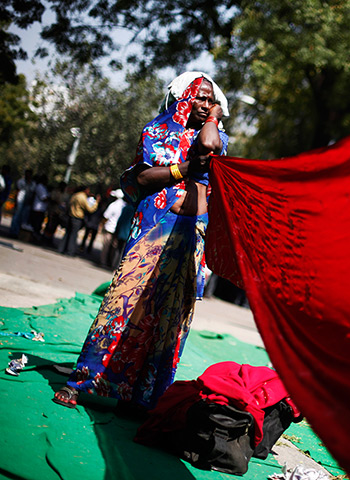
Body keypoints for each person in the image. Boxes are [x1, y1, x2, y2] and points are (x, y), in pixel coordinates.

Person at [52, 72, 229, 412]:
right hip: (155, 230)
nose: (206, 104)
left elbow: (209, 146)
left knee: (171, 318)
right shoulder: (157, 132)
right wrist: (183, 171)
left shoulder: (214, 135)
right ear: (181, 96)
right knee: (123, 305)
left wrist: (215, 117)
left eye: (211, 99)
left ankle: (143, 398)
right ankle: (82, 383)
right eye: (200, 97)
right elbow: (144, 176)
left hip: (192, 239)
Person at [57, 186, 100, 256]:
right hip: (77, 218)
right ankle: (70, 251)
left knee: (67, 233)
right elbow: (89, 209)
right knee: (73, 235)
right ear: (85, 190)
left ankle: (61, 248)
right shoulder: (82, 197)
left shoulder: (75, 195)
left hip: (71, 216)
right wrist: (96, 203)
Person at [99, 189, 127, 267]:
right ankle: (111, 263)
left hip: (109, 228)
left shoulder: (113, 205)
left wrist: (101, 225)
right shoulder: (125, 206)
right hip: (118, 230)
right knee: (114, 248)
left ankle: (103, 262)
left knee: (106, 247)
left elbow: (106, 216)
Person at [42, 181, 69, 246]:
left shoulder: (65, 194)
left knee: (54, 227)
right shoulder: (55, 192)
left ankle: (50, 239)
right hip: (52, 211)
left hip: (59, 213)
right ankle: (45, 238)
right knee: (49, 226)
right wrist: (58, 202)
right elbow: (52, 199)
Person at [9, 169, 34, 237]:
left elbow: (32, 193)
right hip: (20, 200)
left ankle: (17, 232)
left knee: (23, 218)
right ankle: (12, 231)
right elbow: (17, 191)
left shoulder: (32, 183)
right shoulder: (21, 181)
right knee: (17, 216)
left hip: (27, 202)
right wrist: (15, 201)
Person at [29, 174, 49, 240]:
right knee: (36, 224)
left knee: (38, 224)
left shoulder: (43, 187)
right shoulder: (40, 187)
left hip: (41, 209)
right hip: (38, 208)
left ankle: (34, 236)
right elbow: (43, 198)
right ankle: (32, 237)